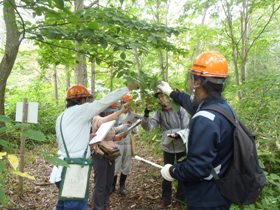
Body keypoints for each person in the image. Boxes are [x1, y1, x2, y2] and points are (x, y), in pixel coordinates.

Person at [158, 51, 234, 210]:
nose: (190, 82)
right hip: (220, 191)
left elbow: (197, 168)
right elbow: (193, 104)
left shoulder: (204, 119)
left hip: (206, 197)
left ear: (198, 82)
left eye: (192, 77)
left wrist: (171, 171)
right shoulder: (222, 108)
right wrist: (171, 93)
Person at [49, 83, 137, 210]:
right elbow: (104, 101)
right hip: (73, 170)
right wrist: (128, 87)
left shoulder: (62, 116)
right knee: (75, 207)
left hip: (62, 169)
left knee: (63, 206)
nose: (88, 102)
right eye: (87, 99)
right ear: (82, 100)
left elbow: (69, 140)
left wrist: (87, 138)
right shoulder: (81, 111)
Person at [141, 89, 189, 209]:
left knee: (182, 172)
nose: (162, 99)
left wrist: (178, 135)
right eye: (159, 97)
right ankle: (165, 199)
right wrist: (146, 115)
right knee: (166, 172)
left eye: (163, 96)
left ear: (169, 97)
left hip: (181, 146)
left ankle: (180, 198)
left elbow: (187, 128)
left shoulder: (180, 109)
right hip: (167, 146)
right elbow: (148, 127)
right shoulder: (159, 112)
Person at [91, 103, 130, 210]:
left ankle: (105, 205)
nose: (112, 113)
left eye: (113, 111)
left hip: (110, 154)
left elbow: (111, 137)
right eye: (111, 111)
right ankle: (98, 207)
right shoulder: (97, 118)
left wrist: (120, 136)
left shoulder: (109, 122)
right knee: (100, 185)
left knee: (108, 183)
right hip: (100, 154)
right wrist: (120, 112)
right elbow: (102, 122)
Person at [113, 94, 140, 195]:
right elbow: (111, 130)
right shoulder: (116, 114)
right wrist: (122, 126)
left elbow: (135, 131)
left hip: (128, 143)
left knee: (126, 166)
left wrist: (135, 123)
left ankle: (122, 186)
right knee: (116, 165)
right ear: (122, 103)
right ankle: (112, 186)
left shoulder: (132, 114)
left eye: (129, 103)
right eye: (126, 103)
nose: (127, 105)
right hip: (117, 143)